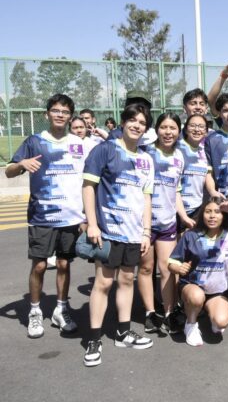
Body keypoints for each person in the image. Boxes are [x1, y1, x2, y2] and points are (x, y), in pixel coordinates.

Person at [6, 94, 85, 338]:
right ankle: (35, 311)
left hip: (71, 217)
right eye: (56, 110)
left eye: (65, 111)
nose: (60, 115)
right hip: (42, 215)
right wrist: (22, 164)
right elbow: (9, 171)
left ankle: (61, 310)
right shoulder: (34, 141)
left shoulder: (80, 143)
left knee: (63, 264)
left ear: (70, 116)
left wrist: (86, 216)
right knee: (39, 265)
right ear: (47, 114)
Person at [82, 103, 155, 367]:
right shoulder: (105, 149)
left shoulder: (147, 159)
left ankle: (123, 333)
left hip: (134, 234)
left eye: (142, 122)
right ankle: (93, 339)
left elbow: (146, 198)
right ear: (123, 123)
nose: (137, 125)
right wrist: (92, 224)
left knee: (126, 280)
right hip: (108, 231)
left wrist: (146, 232)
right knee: (103, 284)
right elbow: (88, 187)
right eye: (132, 120)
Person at [168, 197, 228, 346]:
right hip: (192, 287)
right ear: (202, 214)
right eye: (208, 211)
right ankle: (191, 324)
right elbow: (171, 263)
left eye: (217, 212)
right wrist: (178, 267)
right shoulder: (191, 235)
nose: (212, 216)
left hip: (217, 291)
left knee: (221, 322)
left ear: (223, 216)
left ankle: (210, 313)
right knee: (197, 297)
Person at [139, 113, 186, 334]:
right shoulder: (146, 152)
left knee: (168, 268)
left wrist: (184, 216)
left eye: (173, 128)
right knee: (146, 268)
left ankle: (169, 313)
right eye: (164, 127)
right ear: (156, 130)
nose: (168, 132)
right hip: (143, 223)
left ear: (179, 131)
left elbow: (176, 190)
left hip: (167, 223)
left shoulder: (179, 156)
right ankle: (150, 313)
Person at [177, 114, 216, 232]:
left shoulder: (204, 151)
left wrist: (212, 191)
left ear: (206, 132)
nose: (197, 129)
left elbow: (207, 174)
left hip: (196, 209)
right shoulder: (177, 148)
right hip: (176, 208)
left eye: (201, 126)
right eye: (193, 125)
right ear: (185, 129)